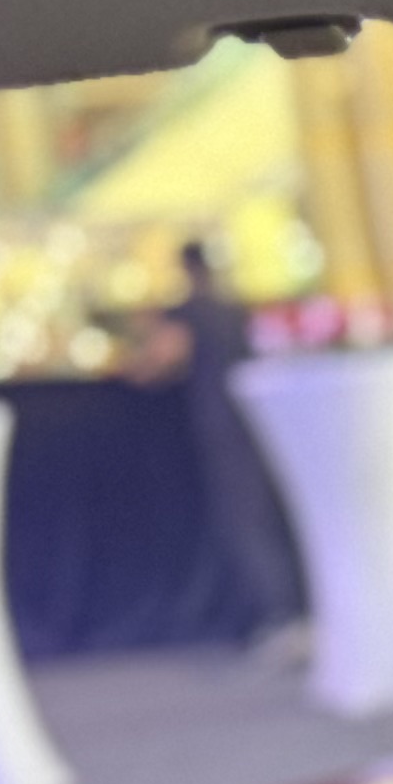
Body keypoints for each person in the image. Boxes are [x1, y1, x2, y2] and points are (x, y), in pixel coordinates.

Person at [132, 240, 305, 647]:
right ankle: (291, 611)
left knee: (244, 521)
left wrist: (137, 356)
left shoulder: (190, 312)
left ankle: (282, 617)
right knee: (265, 516)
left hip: (223, 427)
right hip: (255, 418)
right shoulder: (235, 307)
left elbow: (159, 362)